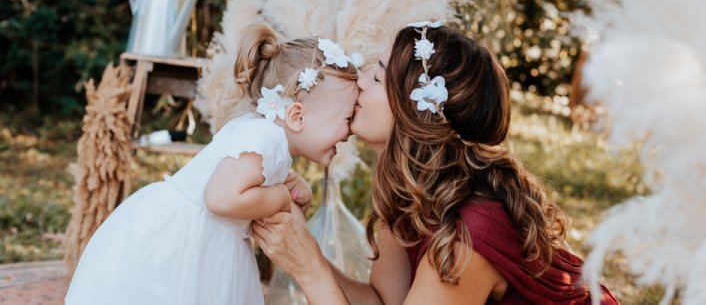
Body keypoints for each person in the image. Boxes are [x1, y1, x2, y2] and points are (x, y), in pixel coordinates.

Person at [253, 22, 619, 304]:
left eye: (378, 77)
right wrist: (303, 249)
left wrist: (308, 268)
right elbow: (385, 301)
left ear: (415, 114)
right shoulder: (411, 190)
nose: (359, 83)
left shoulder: (466, 237)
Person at [65, 22, 358, 305]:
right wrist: (281, 195)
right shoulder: (267, 138)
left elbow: (249, 190)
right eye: (346, 119)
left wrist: (291, 189)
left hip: (208, 245)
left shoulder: (267, 135)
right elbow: (221, 198)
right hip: (182, 246)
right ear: (297, 116)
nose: (350, 130)